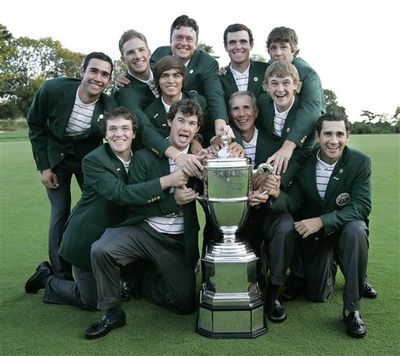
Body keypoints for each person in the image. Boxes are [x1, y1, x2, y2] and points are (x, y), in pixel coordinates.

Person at [24, 107, 187, 310]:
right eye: (113, 129)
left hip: (120, 236)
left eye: (125, 128)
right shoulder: (94, 160)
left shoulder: (141, 154)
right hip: (89, 239)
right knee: (91, 301)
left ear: (134, 133)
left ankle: (126, 279)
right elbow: (122, 195)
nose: (119, 134)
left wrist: (196, 143)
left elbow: (165, 140)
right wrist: (168, 181)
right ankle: (47, 280)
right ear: (105, 134)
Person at [85, 99, 203, 339]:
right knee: (101, 250)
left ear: (197, 130)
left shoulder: (200, 160)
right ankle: (112, 311)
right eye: (180, 120)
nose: (185, 128)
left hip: (178, 240)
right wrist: (172, 201)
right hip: (144, 231)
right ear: (169, 122)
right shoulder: (144, 156)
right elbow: (133, 203)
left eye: (192, 123)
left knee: (184, 306)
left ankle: (140, 281)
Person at [267, 112, 371, 338]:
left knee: (357, 229)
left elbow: (361, 206)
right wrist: (276, 194)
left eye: (339, 134)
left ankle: (352, 309)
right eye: (328, 134)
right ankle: (325, 265)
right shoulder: (306, 162)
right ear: (317, 136)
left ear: (348, 136)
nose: (334, 140)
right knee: (317, 295)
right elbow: (294, 201)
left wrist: (322, 221)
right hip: (316, 239)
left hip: (342, 231)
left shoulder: (360, 162)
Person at [26, 52, 117, 279]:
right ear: (82, 71)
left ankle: (90, 262)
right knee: (60, 209)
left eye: (105, 74)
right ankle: (59, 273)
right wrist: (44, 167)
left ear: (109, 80)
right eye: (93, 71)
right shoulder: (53, 89)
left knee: (94, 208)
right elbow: (35, 124)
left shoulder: (109, 104)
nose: (98, 78)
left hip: (87, 161)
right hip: (56, 159)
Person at [115, 29, 204, 178]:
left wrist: (195, 139)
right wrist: (177, 154)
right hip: (157, 158)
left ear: (149, 53)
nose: (137, 56)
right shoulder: (125, 91)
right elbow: (144, 127)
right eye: (130, 52)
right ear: (123, 59)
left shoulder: (165, 67)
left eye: (141, 50)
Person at [150, 15, 231, 142]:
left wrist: (220, 124)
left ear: (196, 42)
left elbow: (214, 94)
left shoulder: (207, 62)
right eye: (178, 37)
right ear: (170, 39)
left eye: (189, 39)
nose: (183, 43)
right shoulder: (158, 55)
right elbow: (143, 73)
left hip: (193, 122)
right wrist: (124, 78)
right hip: (161, 120)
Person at [260, 26, 325, 180]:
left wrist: (288, 146)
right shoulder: (268, 67)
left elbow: (311, 111)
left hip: (303, 143)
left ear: (295, 50)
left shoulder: (308, 74)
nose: (278, 53)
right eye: (273, 48)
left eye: (284, 47)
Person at [145, 55, 210, 140]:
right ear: (157, 81)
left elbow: (209, 131)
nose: (171, 81)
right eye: (165, 76)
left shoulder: (200, 102)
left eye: (176, 76)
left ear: (183, 79)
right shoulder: (149, 113)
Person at [219, 23, 268, 108]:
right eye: (232, 42)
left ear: (251, 45)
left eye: (243, 42)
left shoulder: (266, 70)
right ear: (225, 47)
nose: (238, 47)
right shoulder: (220, 77)